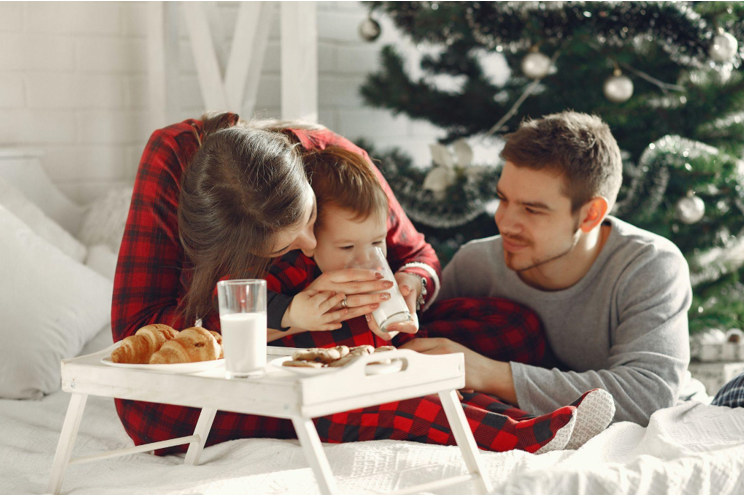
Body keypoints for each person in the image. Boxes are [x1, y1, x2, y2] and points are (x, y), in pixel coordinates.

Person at [112, 113, 437, 453]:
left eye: (310, 215)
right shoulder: (170, 160)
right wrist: (288, 315)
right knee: (155, 415)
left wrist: (409, 286)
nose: (311, 244)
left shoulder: (335, 162)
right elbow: (136, 336)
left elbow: (417, 255)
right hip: (231, 371)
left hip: (327, 361)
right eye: (284, 247)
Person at [266, 145, 614, 453]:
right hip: (333, 402)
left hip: (388, 369)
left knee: (449, 390)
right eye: (346, 247)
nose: (367, 259)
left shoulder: (373, 257)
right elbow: (239, 315)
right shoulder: (296, 269)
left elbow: (419, 260)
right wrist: (296, 312)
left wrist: (408, 293)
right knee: (417, 406)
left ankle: (538, 422)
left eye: (376, 243)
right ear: (309, 235)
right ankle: (521, 438)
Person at [403, 111, 692, 426]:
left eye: (531, 209)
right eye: (503, 199)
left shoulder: (650, 265)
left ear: (590, 215)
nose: (505, 222)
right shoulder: (477, 263)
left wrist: (487, 372)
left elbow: (648, 397)